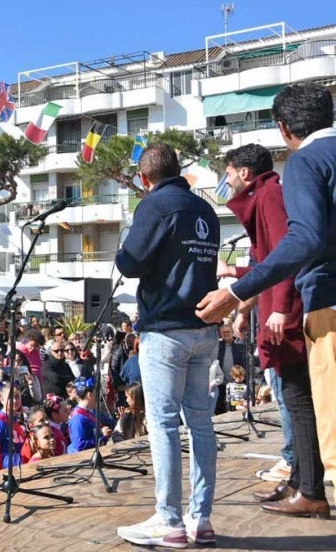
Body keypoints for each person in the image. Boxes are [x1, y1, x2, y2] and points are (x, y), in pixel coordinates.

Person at [196, 83, 336, 504]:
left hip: (327, 301)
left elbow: (300, 241)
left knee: (328, 424)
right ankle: (305, 486)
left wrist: (238, 292)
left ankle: (308, 487)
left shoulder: (305, 163)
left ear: (283, 127)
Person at [115, 143, 221, 548]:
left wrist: (124, 249)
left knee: (162, 423)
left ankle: (170, 520)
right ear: (179, 169)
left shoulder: (155, 205)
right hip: (203, 328)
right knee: (200, 422)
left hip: (165, 329)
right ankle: (202, 518)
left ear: (145, 178)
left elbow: (131, 264)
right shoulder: (205, 209)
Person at [216, 142, 328, 517]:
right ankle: (298, 481)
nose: (226, 182)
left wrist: (280, 308)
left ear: (245, 173)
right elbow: (269, 261)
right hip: (277, 312)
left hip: (286, 317)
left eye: (229, 173)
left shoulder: (269, 197)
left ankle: (311, 490)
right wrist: (236, 273)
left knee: (297, 402)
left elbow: (287, 256)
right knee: (292, 403)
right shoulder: (265, 197)